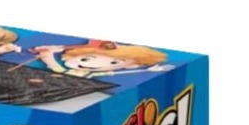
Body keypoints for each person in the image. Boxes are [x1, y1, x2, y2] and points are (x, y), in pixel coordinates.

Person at [34, 40, 172, 78]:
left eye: (114, 62)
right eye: (86, 59)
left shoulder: (87, 74)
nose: (94, 64)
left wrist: (49, 59)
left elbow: (64, 72)